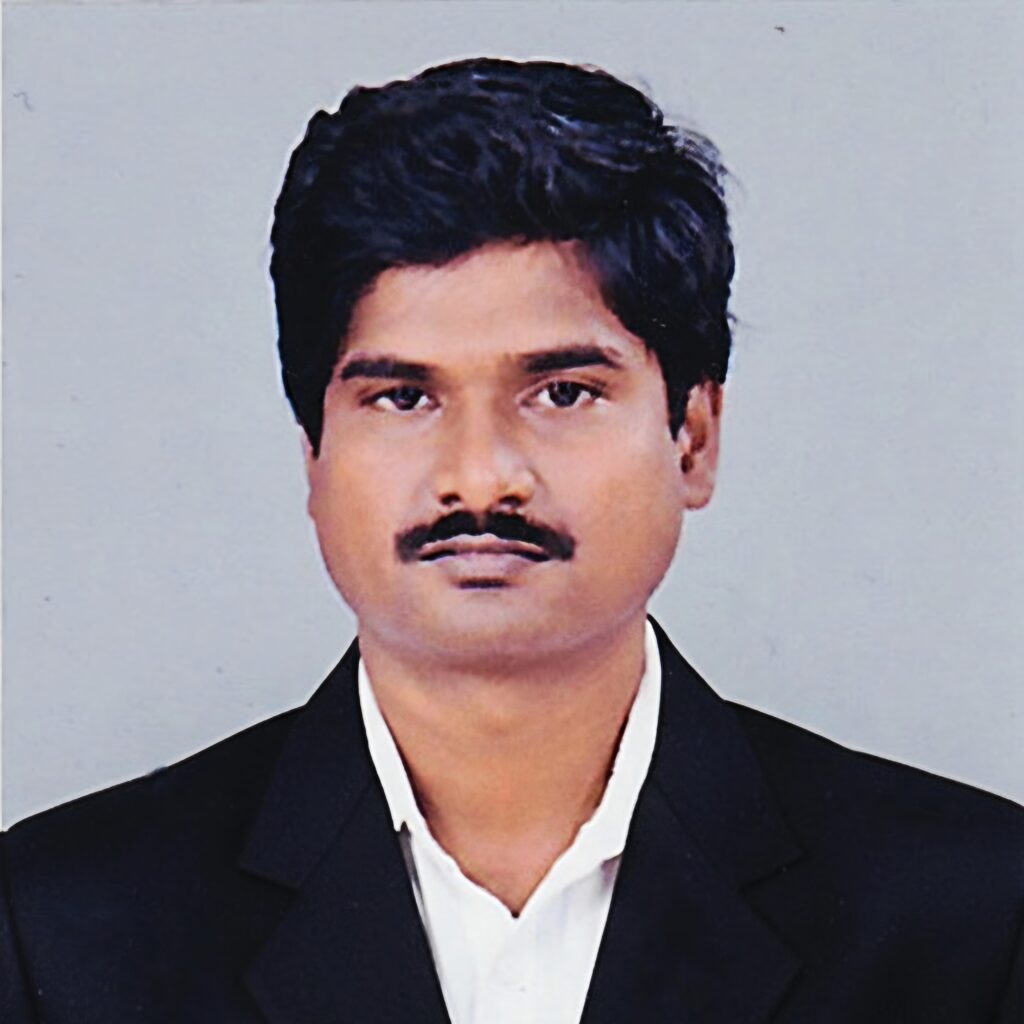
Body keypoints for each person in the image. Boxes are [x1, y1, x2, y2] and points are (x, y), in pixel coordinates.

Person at [1, 56, 1021, 1024]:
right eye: (403, 398)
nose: (481, 477)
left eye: (562, 392)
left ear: (693, 438)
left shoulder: (972, 913)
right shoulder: (63, 925)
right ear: (313, 453)